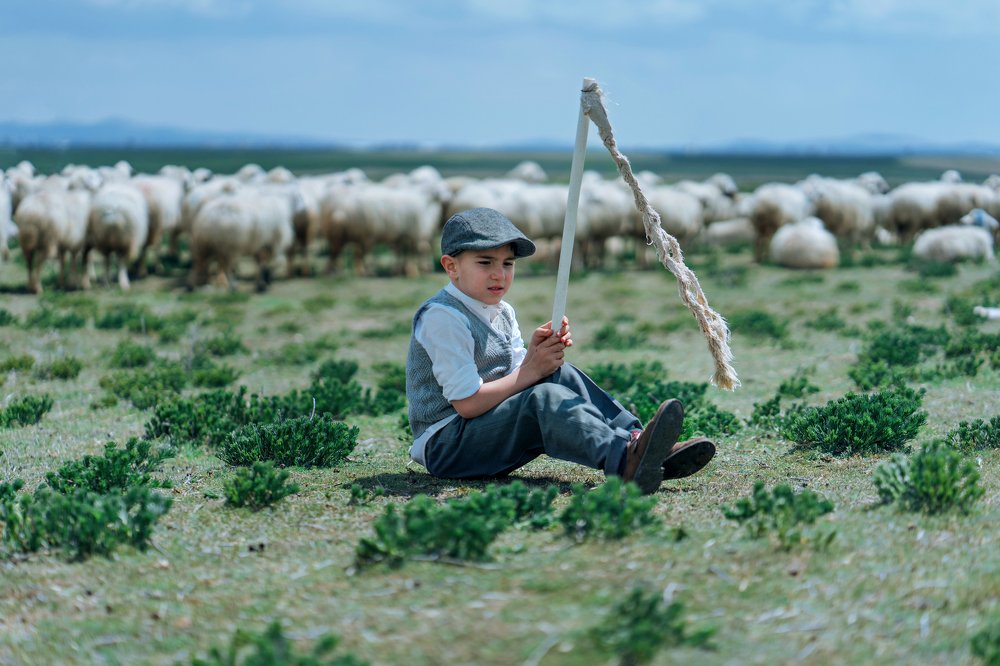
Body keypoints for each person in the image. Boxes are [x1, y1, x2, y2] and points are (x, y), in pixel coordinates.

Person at [405, 207, 715, 495]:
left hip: (481, 431)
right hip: (447, 447)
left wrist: (537, 356)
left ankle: (637, 442)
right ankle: (625, 462)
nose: (499, 274)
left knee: (558, 372)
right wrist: (531, 371)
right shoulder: (443, 317)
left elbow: (516, 378)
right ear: (451, 266)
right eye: (485, 262)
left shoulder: (501, 311)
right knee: (544, 398)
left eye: (507, 263)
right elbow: (468, 404)